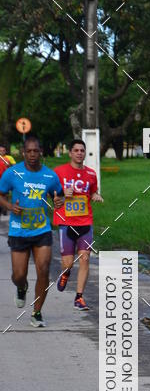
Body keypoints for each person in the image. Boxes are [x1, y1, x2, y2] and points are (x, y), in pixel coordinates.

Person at [0, 136, 64, 326]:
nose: (32, 154)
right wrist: (10, 207)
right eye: (29, 151)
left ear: (41, 151)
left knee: (43, 270)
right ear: (23, 152)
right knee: (19, 275)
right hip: (19, 230)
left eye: (36, 151)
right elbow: (0, 195)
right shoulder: (12, 173)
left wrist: (59, 202)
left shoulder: (50, 176)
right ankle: (22, 288)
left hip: (42, 230)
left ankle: (37, 313)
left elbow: (58, 197)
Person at [53, 138, 102, 310]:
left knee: (85, 258)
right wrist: (60, 194)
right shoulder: (59, 172)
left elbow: (93, 191)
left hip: (85, 222)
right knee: (68, 263)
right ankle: (66, 273)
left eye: (82, 150)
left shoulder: (90, 173)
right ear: (70, 153)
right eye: (76, 150)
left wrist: (96, 196)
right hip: (66, 223)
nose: (79, 153)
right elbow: (51, 197)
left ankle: (79, 298)